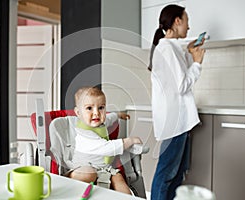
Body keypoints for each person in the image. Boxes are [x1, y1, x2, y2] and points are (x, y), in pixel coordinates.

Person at [148, 4, 206, 200]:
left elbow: (178, 82)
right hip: (175, 123)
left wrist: (190, 55)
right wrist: (197, 62)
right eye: (186, 21)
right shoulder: (167, 49)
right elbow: (182, 85)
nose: (189, 28)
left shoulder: (171, 48)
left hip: (178, 122)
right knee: (166, 175)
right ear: (177, 21)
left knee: (176, 175)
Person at [69, 86, 142, 195]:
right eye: (89, 108)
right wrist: (129, 141)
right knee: (89, 174)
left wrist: (117, 115)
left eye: (101, 107)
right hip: (83, 166)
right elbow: (107, 148)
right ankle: (70, 177)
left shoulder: (100, 123)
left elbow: (108, 119)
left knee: (119, 180)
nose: (96, 113)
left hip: (104, 168)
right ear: (78, 113)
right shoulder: (84, 133)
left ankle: (127, 197)